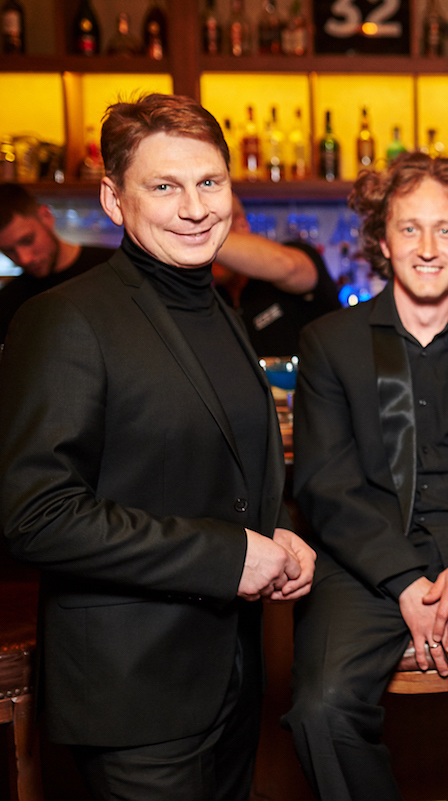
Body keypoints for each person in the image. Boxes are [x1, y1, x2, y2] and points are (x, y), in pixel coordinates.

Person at [0, 93, 315, 801]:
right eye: (165, 186)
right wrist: (229, 556)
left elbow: (218, 472)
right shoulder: (65, 319)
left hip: (230, 679)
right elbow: (37, 516)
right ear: (114, 200)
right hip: (133, 691)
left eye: (209, 182)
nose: (195, 208)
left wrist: (278, 534)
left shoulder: (221, 311)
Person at [284, 152, 448, 801]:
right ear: (381, 240)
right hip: (366, 556)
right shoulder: (328, 342)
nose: (428, 248)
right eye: (409, 228)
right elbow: (324, 482)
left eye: (445, 229)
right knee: (320, 709)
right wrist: (403, 582)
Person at [214, 195, 342, 357]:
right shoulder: (210, 297)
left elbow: (289, 266)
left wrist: (193, 239)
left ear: (241, 225)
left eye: (213, 228)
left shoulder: (291, 257)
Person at [0, 183, 114, 342]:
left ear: (46, 216)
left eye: (27, 240)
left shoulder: (113, 266)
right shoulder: (8, 302)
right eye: (8, 250)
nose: (24, 258)